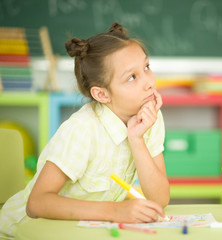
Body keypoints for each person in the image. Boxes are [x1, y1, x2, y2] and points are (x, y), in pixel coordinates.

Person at [0, 22, 170, 238]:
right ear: (102, 95)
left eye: (146, 67)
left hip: (78, 231)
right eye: (131, 77)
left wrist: (137, 140)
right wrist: (116, 211)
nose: (148, 82)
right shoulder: (82, 129)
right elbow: (37, 203)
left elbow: (160, 199)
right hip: (22, 231)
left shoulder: (150, 118)